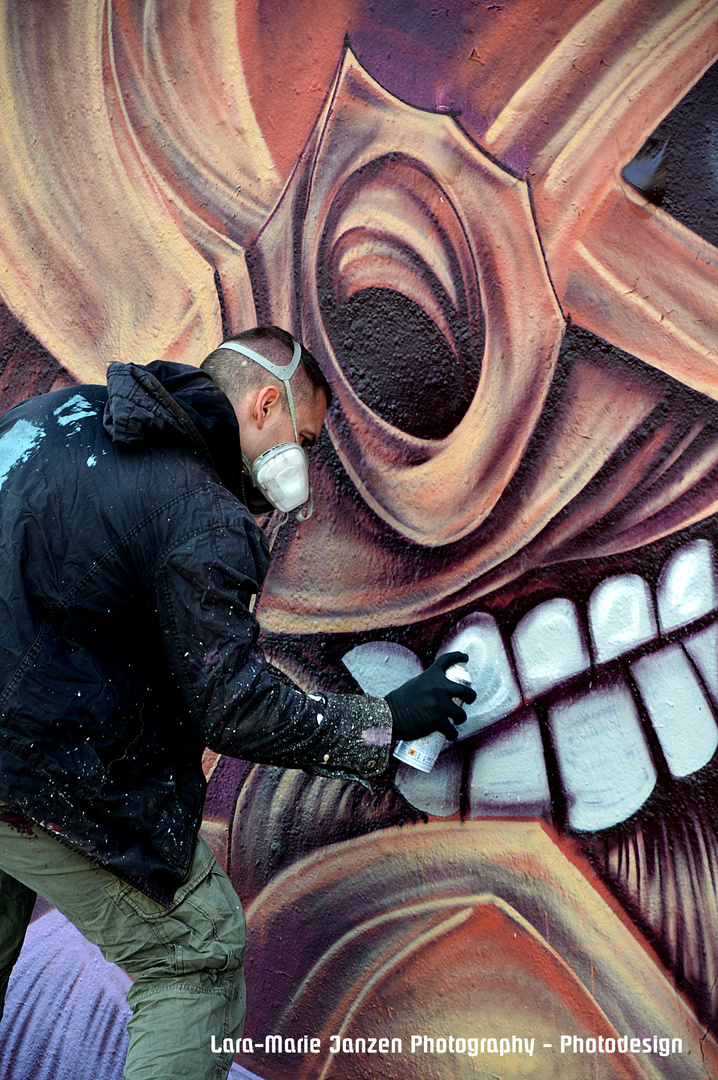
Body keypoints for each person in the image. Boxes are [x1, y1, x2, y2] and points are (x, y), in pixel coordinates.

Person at [0, 325, 475, 1080]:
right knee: (196, 954)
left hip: (17, 759)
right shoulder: (202, 511)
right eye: (308, 439)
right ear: (263, 406)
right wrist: (386, 721)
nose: (304, 469)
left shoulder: (55, 418)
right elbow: (234, 705)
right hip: (35, 771)